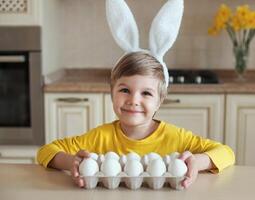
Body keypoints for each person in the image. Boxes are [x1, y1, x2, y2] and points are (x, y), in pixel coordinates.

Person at [37, 51, 235, 189]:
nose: (133, 101)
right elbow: (45, 152)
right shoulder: (99, 137)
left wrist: (196, 162)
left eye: (146, 93)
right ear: (111, 94)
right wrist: (72, 162)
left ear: (160, 101)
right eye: (124, 90)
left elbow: (226, 153)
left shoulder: (177, 138)